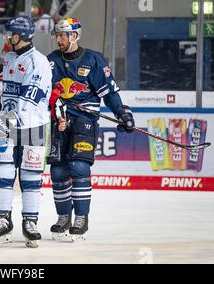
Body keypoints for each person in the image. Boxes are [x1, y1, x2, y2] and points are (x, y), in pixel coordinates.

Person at [47, 18, 135, 241]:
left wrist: (122, 114)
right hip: (59, 120)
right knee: (58, 172)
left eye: (63, 35)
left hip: (84, 120)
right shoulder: (51, 61)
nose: (59, 40)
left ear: (75, 36)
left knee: (78, 168)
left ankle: (81, 218)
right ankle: (63, 217)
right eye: (57, 35)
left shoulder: (94, 60)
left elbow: (110, 93)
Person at [0, 16, 52, 248]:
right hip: (8, 122)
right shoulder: (10, 57)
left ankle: (30, 222)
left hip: (32, 125)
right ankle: (2, 220)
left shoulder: (39, 62)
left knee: (30, 177)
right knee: (2, 171)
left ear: (18, 36)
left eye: (9, 34)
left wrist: (2, 125)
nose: (6, 38)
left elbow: (29, 102)